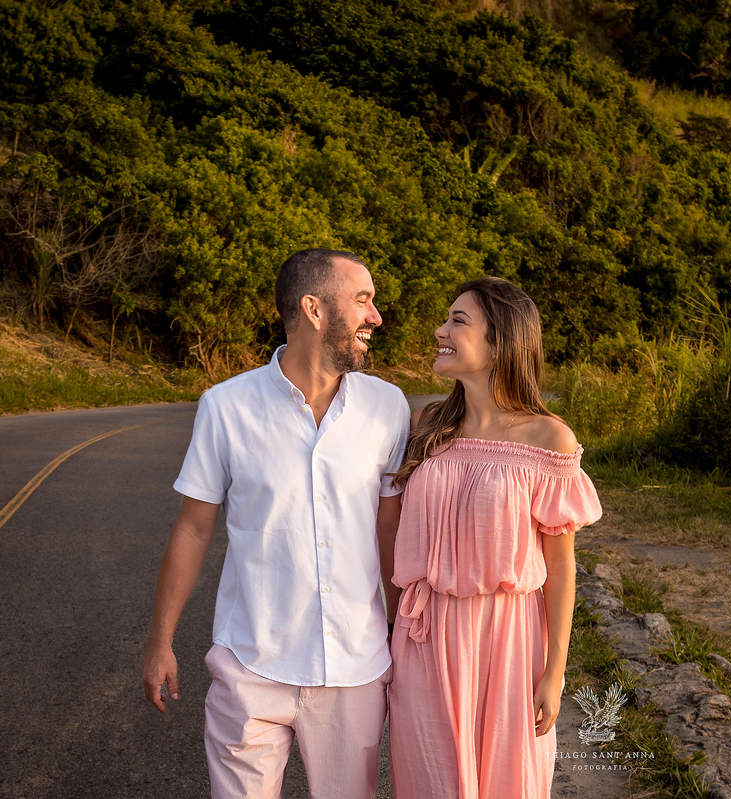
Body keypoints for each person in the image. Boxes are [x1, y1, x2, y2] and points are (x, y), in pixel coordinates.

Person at [140, 248, 410, 799]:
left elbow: (390, 531)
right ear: (314, 308)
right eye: (363, 300)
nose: (376, 316)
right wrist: (160, 640)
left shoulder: (389, 407)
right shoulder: (226, 406)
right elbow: (193, 528)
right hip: (250, 666)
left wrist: (404, 631)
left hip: (353, 672)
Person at [382, 276, 602, 799]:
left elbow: (562, 567)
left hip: (510, 639)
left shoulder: (548, 439)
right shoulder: (428, 424)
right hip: (424, 635)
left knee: (509, 784)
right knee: (430, 782)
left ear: (501, 340)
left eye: (458, 320)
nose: (440, 330)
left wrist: (555, 672)